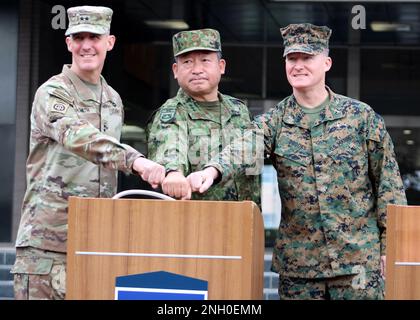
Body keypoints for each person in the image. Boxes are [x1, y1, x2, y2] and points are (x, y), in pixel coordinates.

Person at [187, 23, 407, 299]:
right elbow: (243, 147)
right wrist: (212, 170)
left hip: (358, 262)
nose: (298, 65)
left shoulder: (361, 117)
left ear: (326, 62)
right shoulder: (275, 121)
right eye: (292, 59)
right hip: (300, 269)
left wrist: (392, 247)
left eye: (307, 58)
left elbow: (389, 185)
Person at [11, 6, 165, 300]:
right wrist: (137, 162)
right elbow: (80, 137)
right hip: (48, 247)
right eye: (78, 37)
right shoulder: (53, 92)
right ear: (68, 43)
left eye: (94, 37)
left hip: (96, 241)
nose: (86, 45)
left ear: (110, 42)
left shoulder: (113, 100)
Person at [147, 28, 260, 205]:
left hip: (245, 221)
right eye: (188, 62)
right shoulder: (173, 112)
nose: (197, 69)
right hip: (199, 224)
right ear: (176, 70)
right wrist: (173, 172)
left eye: (205, 61)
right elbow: (169, 144)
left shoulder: (239, 110)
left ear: (221, 66)